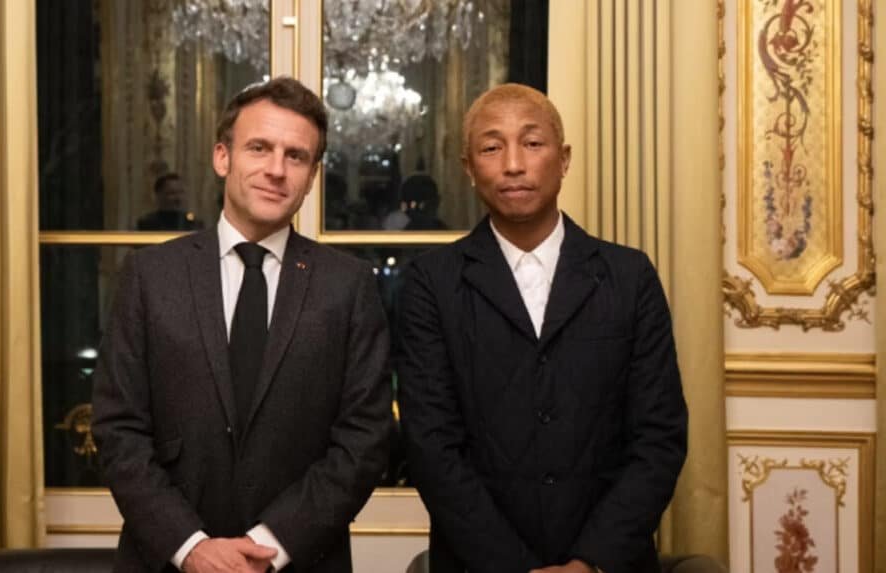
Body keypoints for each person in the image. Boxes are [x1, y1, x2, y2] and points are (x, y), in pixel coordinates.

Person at [93, 77, 392, 573]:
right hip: (168, 561)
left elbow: (365, 440)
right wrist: (191, 548)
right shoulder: (150, 276)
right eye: (259, 148)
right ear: (222, 157)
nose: (276, 170)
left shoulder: (349, 285)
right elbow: (119, 428)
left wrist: (268, 545)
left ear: (313, 175)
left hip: (299, 562)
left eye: (296, 156)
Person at [397, 83, 688, 573]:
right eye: (492, 147)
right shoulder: (432, 283)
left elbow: (659, 438)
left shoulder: (629, 277)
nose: (513, 164)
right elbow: (431, 446)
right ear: (469, 168)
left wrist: (590, 562)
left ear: (564, 158)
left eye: (532, 143)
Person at [136, 172, 203, 231]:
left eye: (181, 192)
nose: (178, 198)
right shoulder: (148, 224)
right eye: (172, 193)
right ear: (159, 195)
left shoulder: (194, 223)